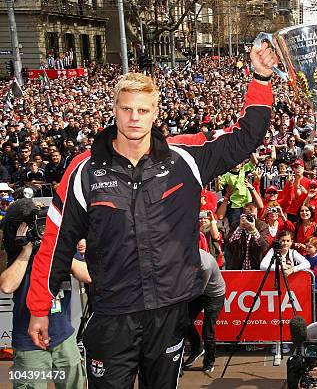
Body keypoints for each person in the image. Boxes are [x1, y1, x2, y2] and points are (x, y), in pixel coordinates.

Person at [25, 44, 278, 389]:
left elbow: (246, 137)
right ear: (114, 110)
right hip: (112, 313)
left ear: (156, 112)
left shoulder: (185, 158)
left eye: (142, 110)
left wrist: (261, 78)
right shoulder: (83, 170)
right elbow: (56, 244)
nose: (134, 118)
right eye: (126, 109)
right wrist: (39, 306)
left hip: (170, 312)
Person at [0, 198, 90, 389]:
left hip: (64, 339)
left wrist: (58, 251)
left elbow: (87, 275)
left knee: (73, 384)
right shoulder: (18, 255)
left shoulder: (60, 249)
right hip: (29, 343)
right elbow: (7, 286)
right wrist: (27, 250)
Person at [183, 250, 226, 374]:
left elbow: (198, 290)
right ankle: (197, 348)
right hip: (198, 292)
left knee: (208, 332)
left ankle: (209, 362)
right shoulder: (184, 255)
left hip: (214, 295)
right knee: (185, 321)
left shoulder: (204, 265)